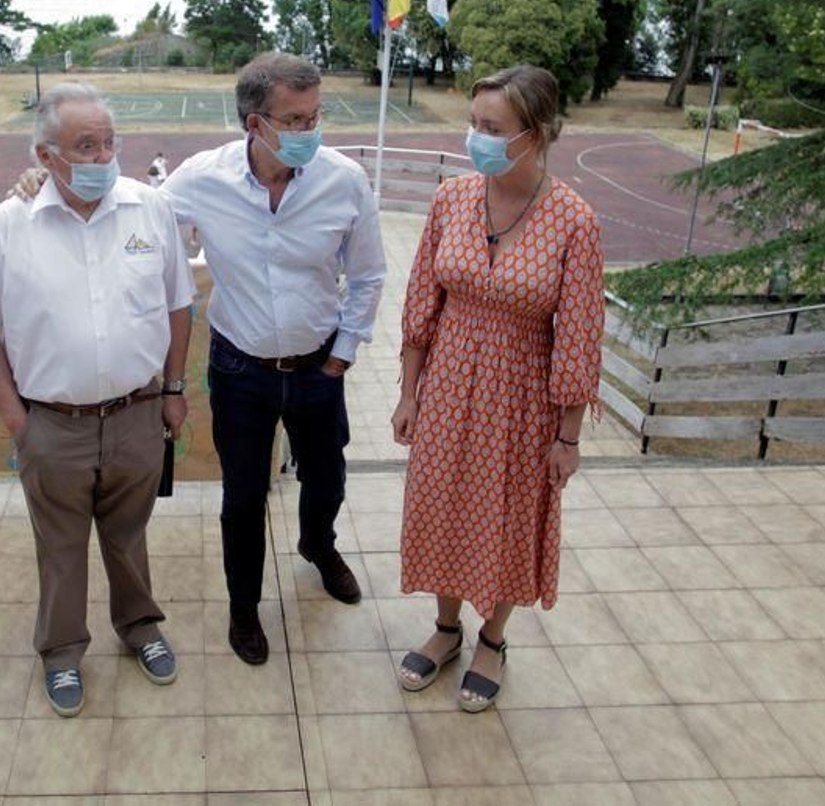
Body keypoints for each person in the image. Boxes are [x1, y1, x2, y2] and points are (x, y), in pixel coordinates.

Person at [0, 83, 193, 717]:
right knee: (60, 546)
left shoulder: (149, 209)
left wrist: (173, 389)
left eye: (109, 143)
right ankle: (60, 651)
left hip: (138, 413)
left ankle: (139, 626)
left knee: (129, 535)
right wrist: (16, 418)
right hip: (51, 424)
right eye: (85, 146)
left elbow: (177, 304)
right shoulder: (5, 227)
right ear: (45, 155)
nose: (102, 156)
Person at [391, 64, 604, 712]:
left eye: (492, 127)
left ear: (533, 133)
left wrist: (567, 437)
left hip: (522, 396)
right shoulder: (452, 199)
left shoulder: (574, 221)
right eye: (474, 124)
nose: (476, 138)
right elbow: (421, 300)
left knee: (509, 515)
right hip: (448, 382)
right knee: (440, 505)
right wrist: (409, 392)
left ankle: (492, 638)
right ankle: (446, 627)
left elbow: (579, 337)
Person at [162, 52, 386, 665]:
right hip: (240, 368)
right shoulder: (201, 178)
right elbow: (136, 218)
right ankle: (244, 607)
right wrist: (39, 185)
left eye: (316, 116)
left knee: (327, 477)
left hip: (318, 366)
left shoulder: (343, 180)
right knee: (242, 496)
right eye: (294, 120)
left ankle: (319, 546)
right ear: (254, 124)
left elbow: (368, 275)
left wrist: (343, 353)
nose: (310, 131)